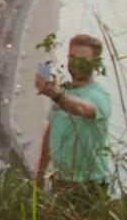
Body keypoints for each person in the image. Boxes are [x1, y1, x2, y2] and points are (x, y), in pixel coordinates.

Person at [35, 33, 112, 200]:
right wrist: (40, 173)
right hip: (62, 179)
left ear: (96, 63)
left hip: (90, 183)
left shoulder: (99, 96)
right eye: (73, 57)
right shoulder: (65, 92)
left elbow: (80, 108)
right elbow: (51, 130)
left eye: (83, 59)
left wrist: (57, 96)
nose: (77, 63)